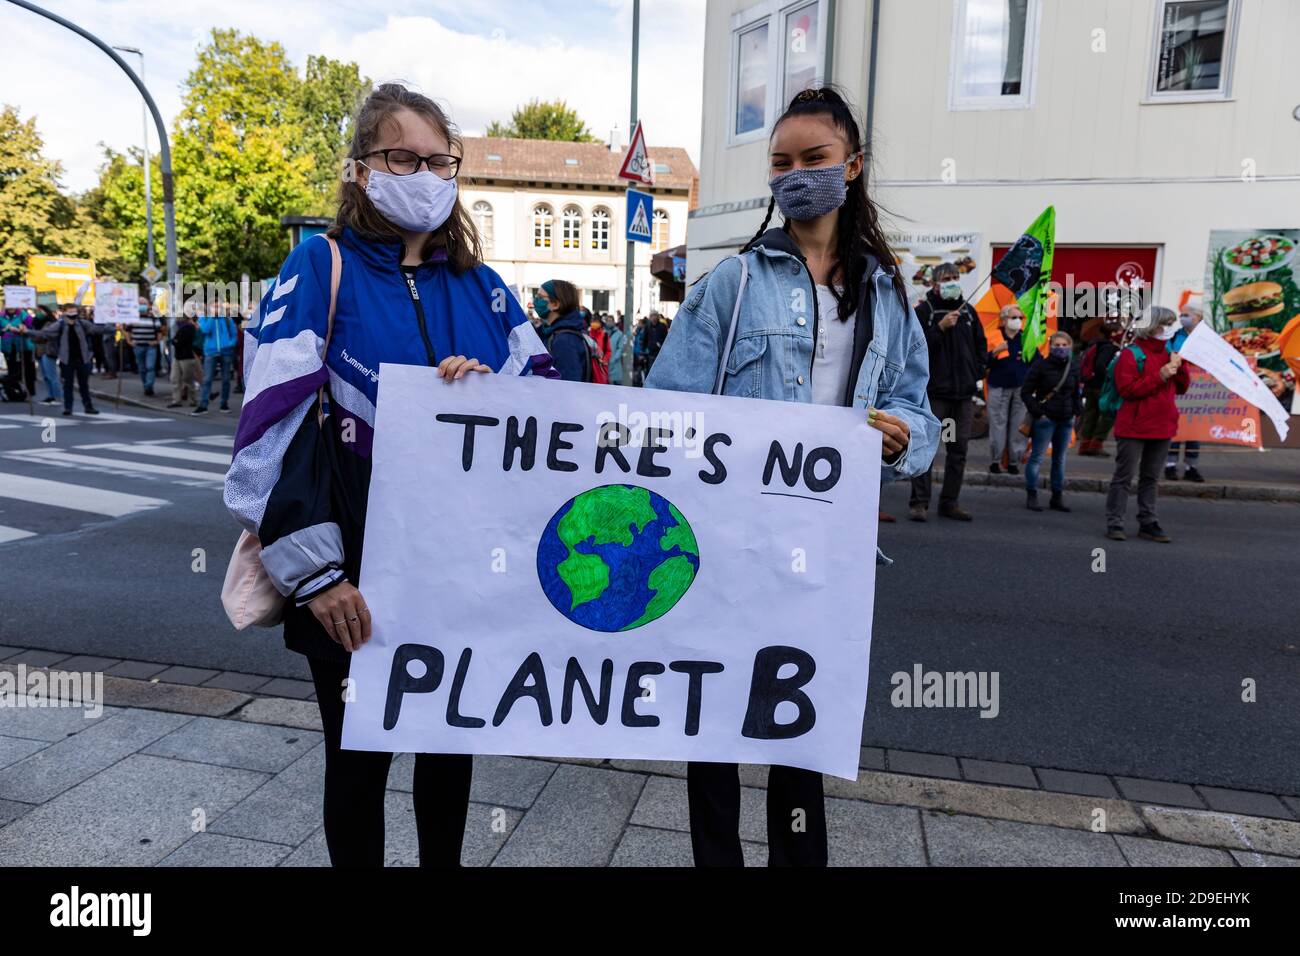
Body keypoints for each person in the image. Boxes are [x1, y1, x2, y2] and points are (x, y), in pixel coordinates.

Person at [224, 83, 557, 869]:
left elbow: (549, 423)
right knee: (358, 761)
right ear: (362, 169)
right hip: (349, 580)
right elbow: (265, 435)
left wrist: (491, 391)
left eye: (440, 159)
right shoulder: (320, 265)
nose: (425, 173)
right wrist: (316, 577)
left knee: (448, 756)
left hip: (459, 577)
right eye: (402, 156)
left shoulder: (484, 286)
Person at [647, 86, 938, 867]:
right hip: (727, 547)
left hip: (828, 553)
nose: (797, 173)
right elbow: (666, 411)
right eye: (782, 162)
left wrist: (904, 438)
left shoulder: (885, 293)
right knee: (711, 727)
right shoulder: (729, 286)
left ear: (853, 167)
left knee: (798, 730)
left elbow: (919, 408)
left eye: (814, 158)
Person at [908, 261, 986, 521]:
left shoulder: (969, 312)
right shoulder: (926, 311)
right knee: (926, 449)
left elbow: (980, 346)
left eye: (955, 276)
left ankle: (949, 502)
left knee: (957, 450)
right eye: (946, 277)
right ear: (934, 283)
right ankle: (920, 503)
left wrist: (977, 372)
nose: (952, 280)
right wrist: (939, 329)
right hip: (934, 394)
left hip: (961, 396)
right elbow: (914, 348)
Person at [1105, 306, 1189, 543]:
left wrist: (1180, 368)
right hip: (1133, 426)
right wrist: (1160, 375)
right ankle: (1115, 521)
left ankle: (1148, 521)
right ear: (1152, 327)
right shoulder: (1131, 355)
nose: (1171, 328)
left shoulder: (1170, 352)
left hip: (1162, 425)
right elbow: (1128, 390)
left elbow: (1182, 388)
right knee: (1124, 476)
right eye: (1167, 323)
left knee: (1151, 477)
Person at [1020, 331, 1080, 512]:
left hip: (1066, 418)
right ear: (1050, 347)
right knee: (1037, 456)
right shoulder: (1041, 366)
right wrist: (1038, 412)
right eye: (1057, 345)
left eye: (1064, 345)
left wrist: (1076, 412)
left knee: (1060, 459)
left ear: (1070, 347)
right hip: (1046, 419)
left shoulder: (1073, 367)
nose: (1061, 349)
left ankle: (1057, 496)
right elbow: (1026, 392)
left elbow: (1076, 391)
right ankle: (1032, 494)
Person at [985, 304, 1030, 475]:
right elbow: (982, 361)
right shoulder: (994, 337)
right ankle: (995, 461)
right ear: (1003, 320)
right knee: (998, 424)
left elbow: (1035, 362)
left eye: (1020, 317)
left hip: (1020, 387)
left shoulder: (1026, 339)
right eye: (1014, 317)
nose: (1018, 321)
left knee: (1018, 425)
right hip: (998, 386)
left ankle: (1013, 462)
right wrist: (995, 352)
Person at [31, 304, 99, 415]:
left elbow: (96, 329)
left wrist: (114, 328)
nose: (72, 314)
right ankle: (68, 407)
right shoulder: (60, 325)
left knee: (84, 385)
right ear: (64, 313)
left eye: (74, 311)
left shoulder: (82, 324)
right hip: (67, 360)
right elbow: (44, 333)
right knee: (68, 384)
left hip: (83, 358)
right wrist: (26, 332)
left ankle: (88, 406)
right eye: (70, 312)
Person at [1165, 297, 1204, 483]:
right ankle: (1170, 465)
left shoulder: (1207, 338)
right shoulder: (1174, 336)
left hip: (1200, 390)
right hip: (1178, 388)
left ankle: (1191, 467)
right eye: (1182, 315)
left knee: (1194, 430)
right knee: (1176, 427)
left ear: (1198, 317)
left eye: (1186, 315)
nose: (1182, 318)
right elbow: (1167, 355)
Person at [1077, 315, 1123, 456]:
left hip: (1090, 385)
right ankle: (1096, 444)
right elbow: (1102, 366)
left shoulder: (1094, 344)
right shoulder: (1109, 348)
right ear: (1113, 333)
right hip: (1102, 386)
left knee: (1091, 414)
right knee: (1108, 414)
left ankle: (1084, 445)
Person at [533, 280, 589, 382]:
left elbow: (568, 386)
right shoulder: (550, 332)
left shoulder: (565, 340)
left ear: (555, 304)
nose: (535, 300)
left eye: (540, 297)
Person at [194, 307, 238, 414]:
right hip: (210, 352)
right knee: (207, 379)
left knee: (226, 379)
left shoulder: (227, 319)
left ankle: (224, 404)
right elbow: (205, 330)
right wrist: (212, 317)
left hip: (226, 352)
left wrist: (229, 344)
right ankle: (203, 405)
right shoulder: (203, 318)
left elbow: (234, 335)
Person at [124, 296, 162, 396]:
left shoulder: (153, 317)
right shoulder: (133, 317)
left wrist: (157, 341)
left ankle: (149, 386)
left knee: (150, 366)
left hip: (150, 346)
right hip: (138, 346)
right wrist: (129, 341)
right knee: (142, 368)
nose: (142, 306)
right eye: (140, 304)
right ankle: (146, 386)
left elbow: (159, 331)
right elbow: (127, 330)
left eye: (143, 304)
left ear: (148, 305)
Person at [167, 304, 203, 408]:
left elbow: (179, 342)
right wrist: (175, 341)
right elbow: (175, 340)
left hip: (187, 357)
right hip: (178, 356)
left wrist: (175, 341)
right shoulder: (181, 327)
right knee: (175, 378)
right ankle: (176, 400)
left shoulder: (190, 327)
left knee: (188, 379)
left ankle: (193, 400)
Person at [32, 306, 62, 404]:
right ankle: (50, 396)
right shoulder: (35, 322)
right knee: (45, 376)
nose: (38, 313)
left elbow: (42, 335)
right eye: (36, 311)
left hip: (48, 350)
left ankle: (57, 397)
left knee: (51, 375)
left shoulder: (51, 323)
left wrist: (33, 334)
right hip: (39, 350)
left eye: (40, 311)